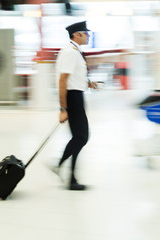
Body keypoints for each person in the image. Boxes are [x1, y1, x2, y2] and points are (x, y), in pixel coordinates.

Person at [52, 21, 97, 190]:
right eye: (86, 33)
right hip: (73, 99)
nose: (88, 36)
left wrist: (88, 83)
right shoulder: (70, 53)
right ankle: (61, 167)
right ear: (77, 35)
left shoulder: (75, 52)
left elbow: (72, 79)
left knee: (79, 137)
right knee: (82, 137)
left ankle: (69, 176)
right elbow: (63, 80)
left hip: (77, 95)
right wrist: (63, 109)